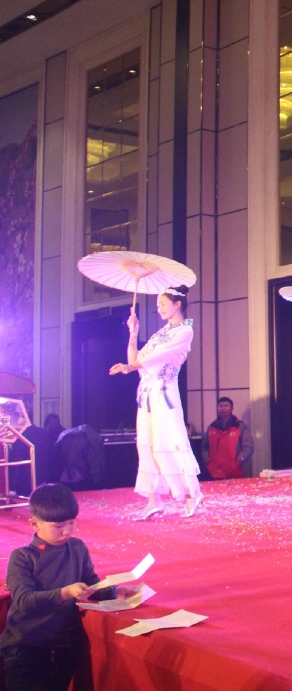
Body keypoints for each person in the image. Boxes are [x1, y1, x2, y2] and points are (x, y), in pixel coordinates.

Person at [0, 484, 137, 691]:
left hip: (63, 645)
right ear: (34, 523)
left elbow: (90, 583)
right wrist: (64, 593)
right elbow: (23, 600)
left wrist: (112, 591)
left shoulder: (77, 547)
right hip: (26, 647)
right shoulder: (22, 557)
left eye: (71, 523)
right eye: (58, 526)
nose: (67, 531)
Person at [109, 285, 203, 519]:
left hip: (165, 393)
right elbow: (136, 358)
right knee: (147, 444)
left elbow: (154, 358)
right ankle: (154, 500)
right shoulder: (160, 334)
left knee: (172, 440)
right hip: (146, 394)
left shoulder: (185, 331)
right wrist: (133, 333)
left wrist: (129, 367)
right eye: (158, 305)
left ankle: (192, 495)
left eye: (162, 304)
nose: (159, 308)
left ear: (177, 304)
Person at [202, 397, 254, 479]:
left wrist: (238, 461)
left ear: (231, 409)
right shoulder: (212, 427)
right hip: (214, 470)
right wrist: (208, 461)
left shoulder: (240, 426)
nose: (223, 408)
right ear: (217, 408)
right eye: (220, 406)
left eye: (226, 406)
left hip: (234, 469)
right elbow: (205, 447)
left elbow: (248, 447)